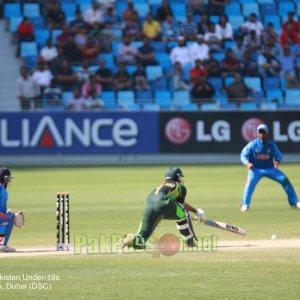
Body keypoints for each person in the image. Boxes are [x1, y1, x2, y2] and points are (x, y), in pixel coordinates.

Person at [118, 167, 206, 249]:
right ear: (177, 177)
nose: (181, 179)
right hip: (164, 203)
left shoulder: (161, 186)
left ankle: (134, 238)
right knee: (183, 212)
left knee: (143, 237)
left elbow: (161, 206)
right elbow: (181, 205)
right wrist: (196, 211)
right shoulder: (180, 187)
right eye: (180, 177)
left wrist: (154, 223)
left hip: (148, 204)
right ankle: (189, 241)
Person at [240, 124, 300, 212]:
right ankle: (245, 204)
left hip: (270, 168)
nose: (262, 134)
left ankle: (295, 202)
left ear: (267, 133)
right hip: (255, 169)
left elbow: (278, 155)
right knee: (249, 185)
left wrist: (277, 161)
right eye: (260, 132)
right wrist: (247, 163)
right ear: (257, 133)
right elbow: (243, 155)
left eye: (263, 132)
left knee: (284, 180)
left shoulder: (271, 145)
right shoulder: (252, 144)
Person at [0, 167, 16, 252]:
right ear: (4, 178)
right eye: (8, 178)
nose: (9, 180)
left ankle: (1, 244)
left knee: (8, 217)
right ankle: (3, 245)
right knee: (10, 218)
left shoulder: (3, 189)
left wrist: (7, 212)